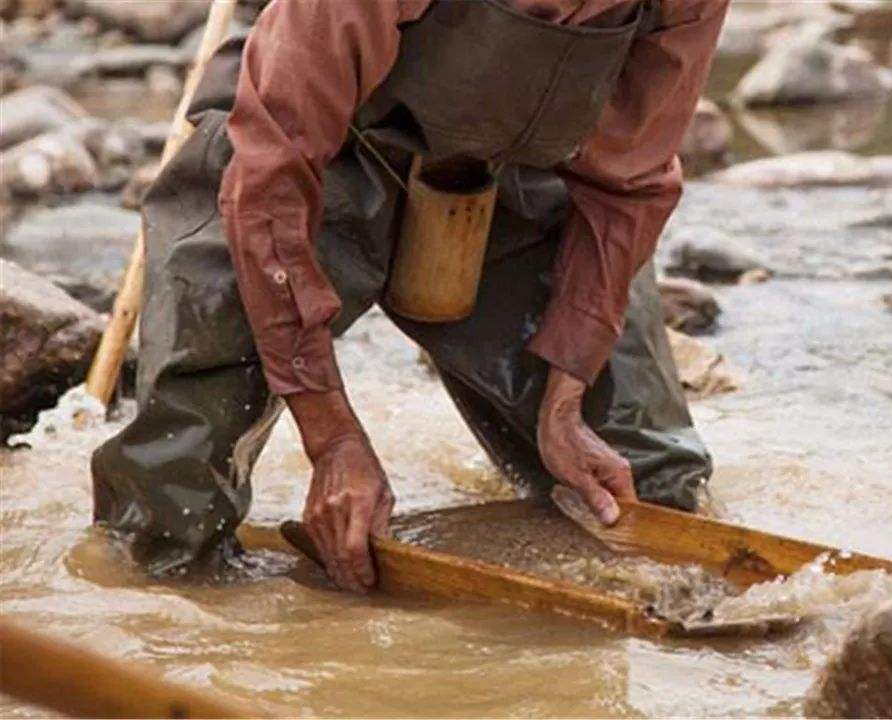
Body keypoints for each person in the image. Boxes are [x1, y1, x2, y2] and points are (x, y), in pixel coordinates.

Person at [91, 0, 728, 592]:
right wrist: (333, 440)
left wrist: (565, 400)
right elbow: (271, 175)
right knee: (173, 504)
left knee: (646, 487)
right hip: (313, 165)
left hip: (518, 179)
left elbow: (629, 187)